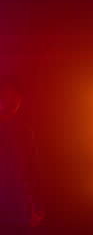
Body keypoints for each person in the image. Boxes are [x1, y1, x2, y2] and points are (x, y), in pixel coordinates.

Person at [0, 78, 45, 233]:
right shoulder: (23, 131)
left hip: (18, 203)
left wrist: (36, 205)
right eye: (6, 97)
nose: (12, 103)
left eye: (16, 99)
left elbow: (33, 170)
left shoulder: (24, 132)